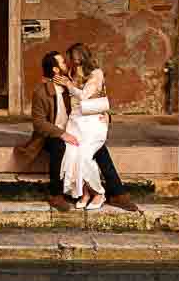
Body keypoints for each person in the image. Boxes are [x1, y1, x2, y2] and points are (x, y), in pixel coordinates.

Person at [16, 48, 133, 212]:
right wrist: (62, 134)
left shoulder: (70, 85)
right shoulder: (41, 92)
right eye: (63, 62)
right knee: (60, 146)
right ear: (56, 69)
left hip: (76, 130)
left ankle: (117, 193)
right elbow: (39, 123)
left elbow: (88, 103)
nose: (68, 63)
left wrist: (105, 115)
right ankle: (56, 194)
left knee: (99, 149)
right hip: (52, 135)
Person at [55, 43, 109, 209]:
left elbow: (85, 96)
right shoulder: (71, 73)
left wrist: (69, 85)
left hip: (93, 121)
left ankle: (99, 193)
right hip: (75, 122)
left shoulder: (96, 73)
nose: (71, 62)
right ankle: (85, 193)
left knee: (85, 157)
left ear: (80, 57)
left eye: (72, 58)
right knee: (73, 157)